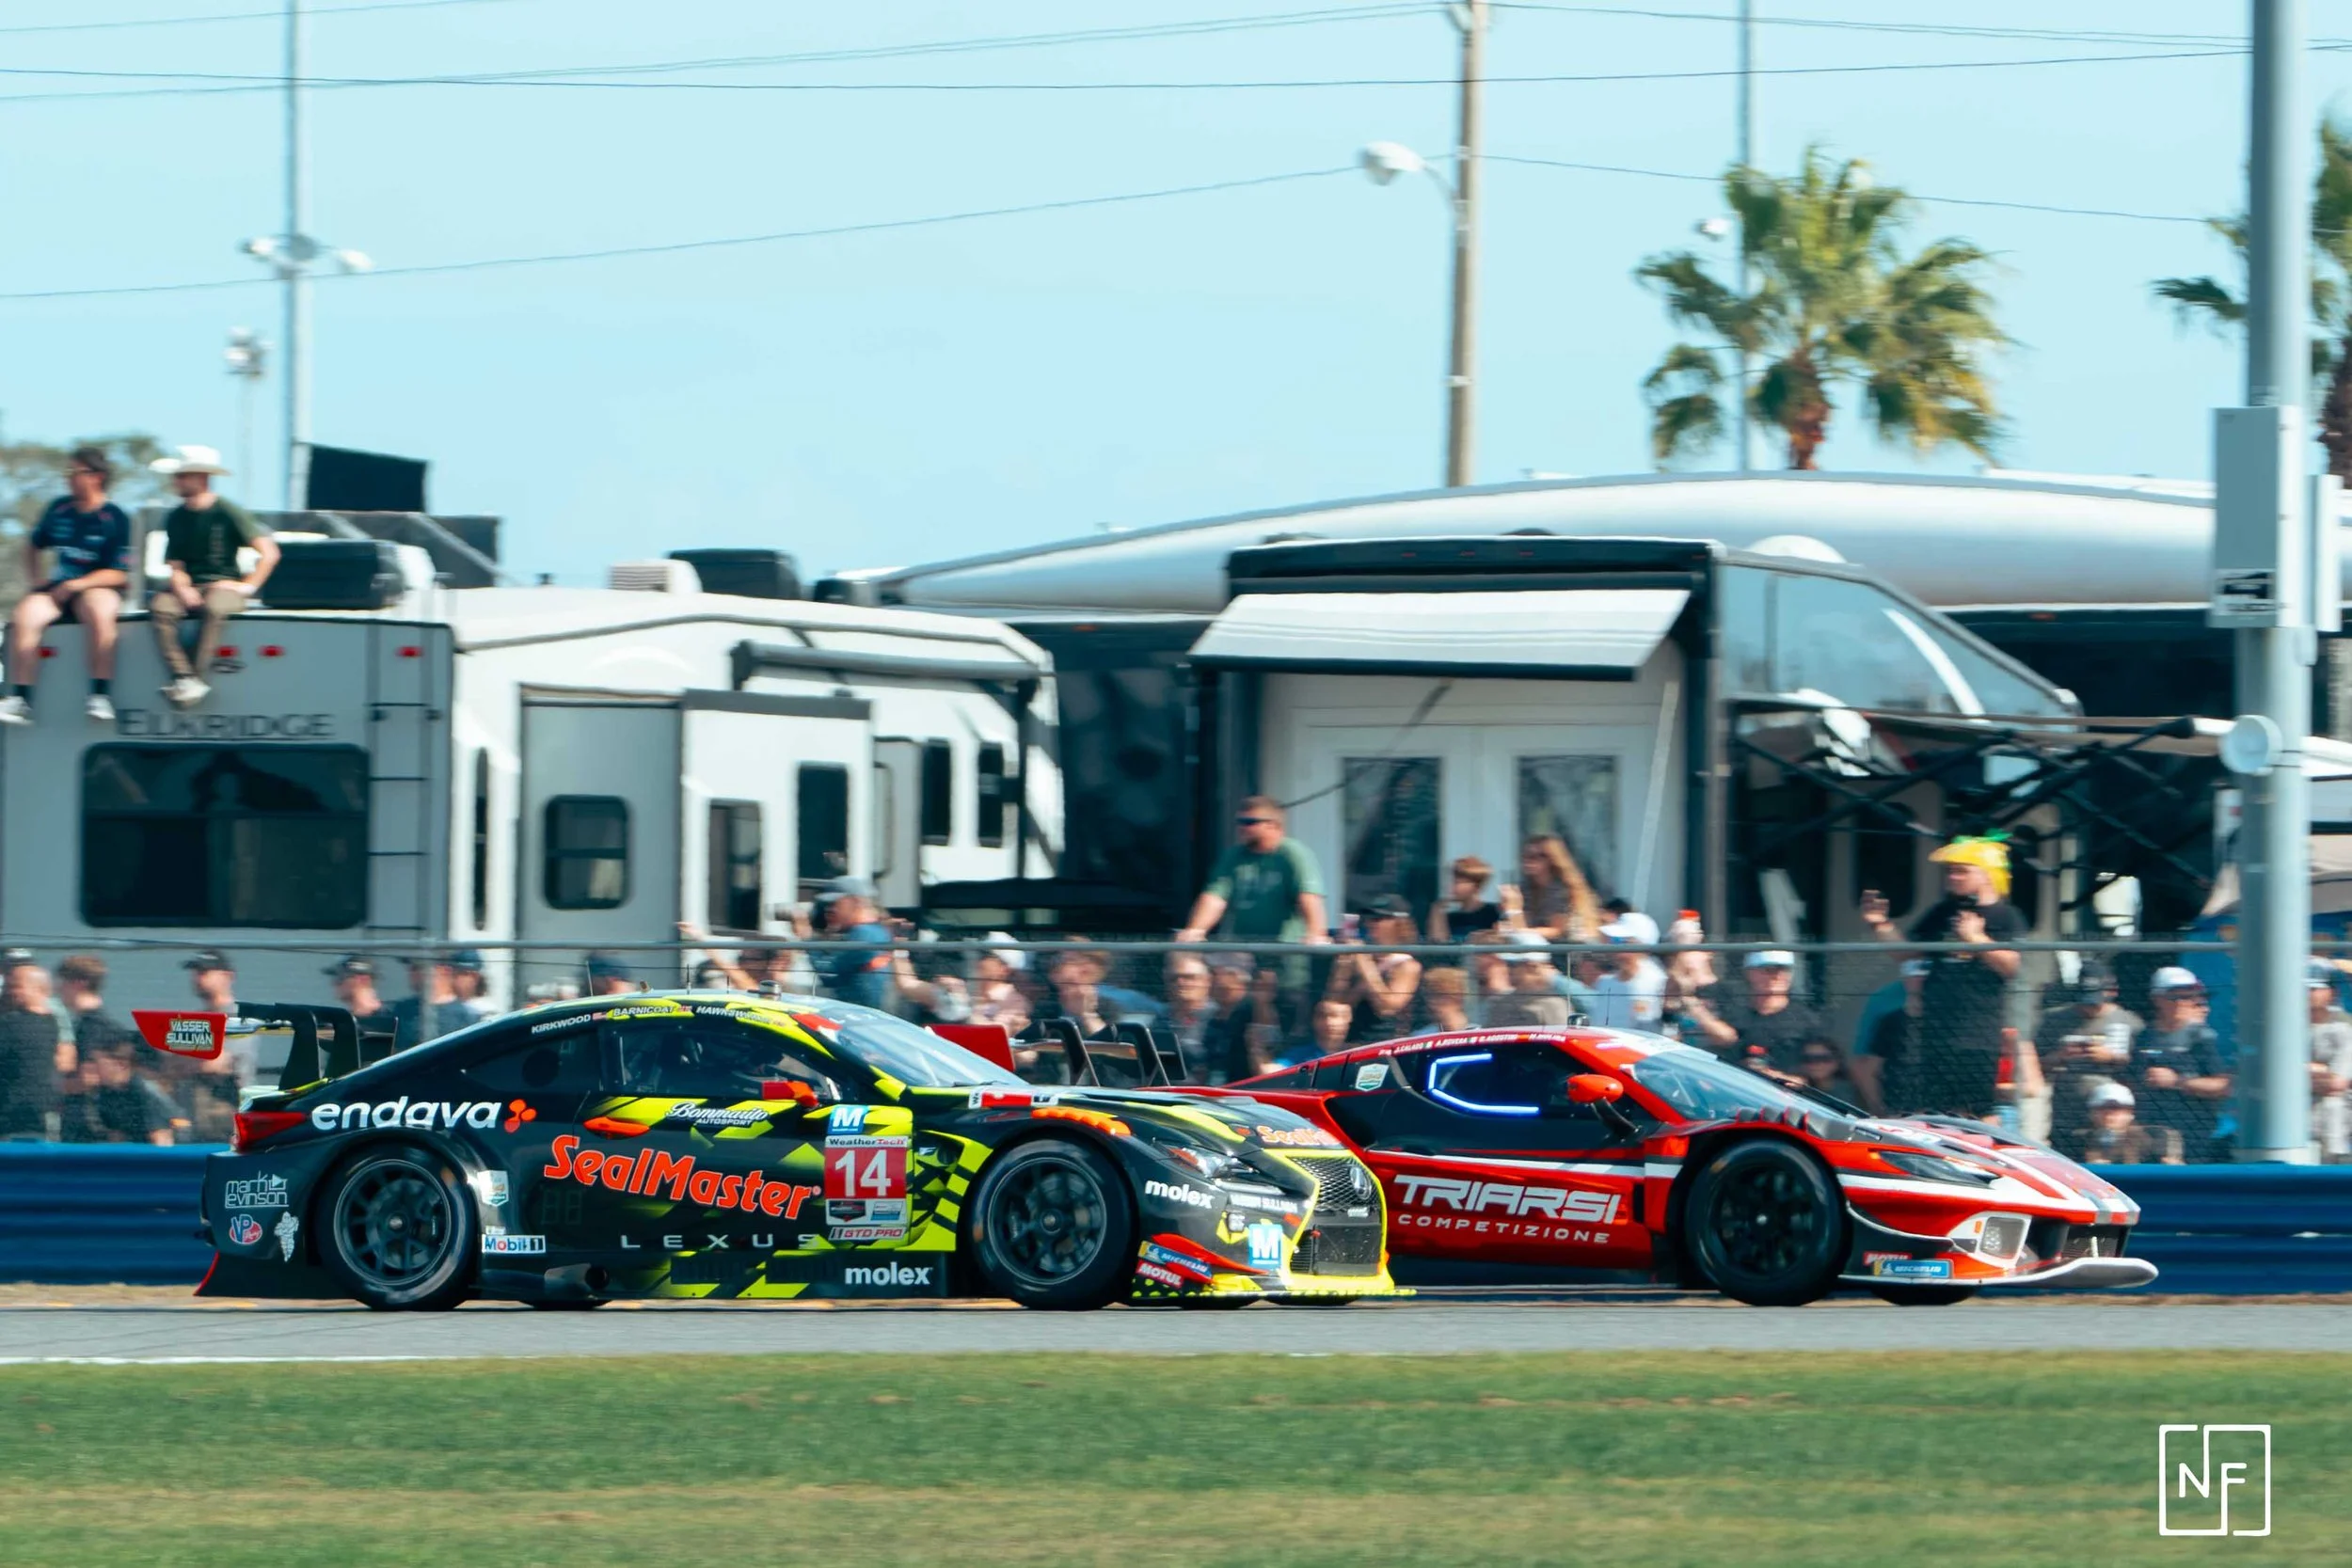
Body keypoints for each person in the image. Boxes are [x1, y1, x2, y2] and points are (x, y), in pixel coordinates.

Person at [1862, 834, 2025, 1117]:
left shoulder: (2005, 915)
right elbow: (1906, 953)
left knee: (1979, 1112)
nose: (1953, 876)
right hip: (1934, 1033)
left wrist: (1976, 939)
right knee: (1937, 1111)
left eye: (1962, 870)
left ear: (1986, 874)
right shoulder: (1943, 912)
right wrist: (1881, 925)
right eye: (1950, 870)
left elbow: (2011, 966)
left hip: (1976, 1035)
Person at [0, 447, 132, 725]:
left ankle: (100, 695)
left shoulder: (114, 517)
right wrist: (36, 581)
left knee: (100, 610)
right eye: (68, 472)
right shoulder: (59, 509)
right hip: (59, 588)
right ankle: (21, 699)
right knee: (26, 614)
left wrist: (79, 584)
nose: (69, 478)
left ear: (96, 476)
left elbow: (120, 574)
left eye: (75, 472)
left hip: (96, 586)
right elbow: (33, 544)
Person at [147, 444, 278, 710]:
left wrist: (246, 587)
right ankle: (183, 676)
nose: (177, 482)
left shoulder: (228, 511)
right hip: (190, 586)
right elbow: (176, 566)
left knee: (216, 607)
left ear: (202, 477)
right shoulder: (175, 517)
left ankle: (194, 677)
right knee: (161, 607)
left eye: (183, 476)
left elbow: (270, 553)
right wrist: (183, 589)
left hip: (223, 585)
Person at [1177, 797, 1329, 950]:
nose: (1242, 828)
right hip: (1241, 950)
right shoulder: (1234, 856)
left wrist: (1316, 934)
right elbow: (1215, 897)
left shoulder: (1293, 854)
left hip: (1285, 949)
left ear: (1272, 825)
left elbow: (1309, 896)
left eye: (1249, 822)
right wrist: (1195, 930)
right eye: (1240, 822)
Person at [2032, 960, 2142, 1160]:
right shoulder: (2055, 1019)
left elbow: (2141, 1069)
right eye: (2084, 1001)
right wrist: (2059, 1056)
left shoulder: (2131, 1022)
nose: (2089, 1008)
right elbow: (2033, 1067)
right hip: (2066, 1112)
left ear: (2112, 991)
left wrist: (2111, 1057)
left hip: (2111, 1115)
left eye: (2095, 1002)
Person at [2129, 967, 2232, 1162]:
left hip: (2194, 1131)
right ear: (2157, 999)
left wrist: (2176, 1081)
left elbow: (2223, 1086)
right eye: (2176, 997)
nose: (2184, 1003)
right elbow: (2131, 1080)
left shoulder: (2201, 1038)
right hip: (2151, 1131)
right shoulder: (2144, 1037)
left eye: (2189, 996)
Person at [1681, 951, 1822, 1072]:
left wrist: (1771, 1075)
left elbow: (1815, 1074)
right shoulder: (1733, 1000)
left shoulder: (1805, 1020)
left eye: (1784, 970)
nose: (1776, 976)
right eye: (1768, 970)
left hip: (1784, 1094)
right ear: (1750, 973)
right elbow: (1698, 981)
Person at [1325, 895, 1422, 1041]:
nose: (1371, 923)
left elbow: (1387, 1008)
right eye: (1369, 918)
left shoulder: (1408, 965)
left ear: (1399, 923)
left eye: (1379, 919)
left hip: (1385, 1044)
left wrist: (1364, 963)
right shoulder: (1365, 958)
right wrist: (1343, 965)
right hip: (1351, 1043)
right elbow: (1336, 1003)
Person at [58, 1039, 175, 1146]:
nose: (93, 1067)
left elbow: (161, 1140)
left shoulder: (145, 1093)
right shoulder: (108, 1094)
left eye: (97, 1062)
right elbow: (115, 1136)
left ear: (119, 1064)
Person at [0, 958, 67, 1139]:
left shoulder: (10, 1024)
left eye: (16, 986)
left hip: (14, 1112)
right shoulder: (54, 1022)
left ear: (38, 988)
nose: (9, 991)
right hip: (41, 1110)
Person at [1501, 834, 1601, 943]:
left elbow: (1556, 931)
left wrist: (1514, 911)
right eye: (1525, 855)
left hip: (1570, 949)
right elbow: (1521, 925)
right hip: (1540, 949)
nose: (1528, 861)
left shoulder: (1562, 890)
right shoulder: (1527, 888)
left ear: (1552, 859)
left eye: (1535, 856)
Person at [813, 878, 894, 1009]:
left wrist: (808, 941)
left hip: (862, 1016)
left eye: (835, 903)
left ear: (856, 902)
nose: (830, 910)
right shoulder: (875, 931)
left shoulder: (863, 934)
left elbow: (828, 975)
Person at [1587, 918, 1667, 1031]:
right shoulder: (1604, 983)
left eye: (1620, 941)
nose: (1613, 948)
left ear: (1640, 945)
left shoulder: (1658, 982)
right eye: (1613, 941)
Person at [2077, 1081, 2182, 1165]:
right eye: (2101, 1108)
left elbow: (2172, 1168)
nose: (2109, 1113)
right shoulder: (2077, 1140)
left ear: (2130, 1113)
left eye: (2116, 1108)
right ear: (2091, 1113)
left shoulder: (2154, 1136)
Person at [2310, 960, 2352, 1164]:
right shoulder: (2282, 1025)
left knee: (2332, 1105)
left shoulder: (2344, 1027)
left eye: (2315, 988)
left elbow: (2336, 1084)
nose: (2308, 993)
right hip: (2302, 1108)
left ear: (2332, 993)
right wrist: (2318, 1070)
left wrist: (2295, 1073)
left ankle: (2335, 1162)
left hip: (2341, 1112)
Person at [1483, 935, 1574, 1028]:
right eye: (1506, 963)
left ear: (1533, 967)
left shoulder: (1554, 1006)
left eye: (1512, 964)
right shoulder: (1499, 1004)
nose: (1507, 969)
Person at [389, 954, 466, 1052]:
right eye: (412, 969)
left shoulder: (464, 1016)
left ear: (444, 971)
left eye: (418, 968)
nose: (412, 973)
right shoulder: (403, 1009)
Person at [1162, 954, 1216, 1082]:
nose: (1181, 983)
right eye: (1174, 978)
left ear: (1207, 981)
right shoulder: (1158, 1021)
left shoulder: (1220, 1020)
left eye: (1189, 977)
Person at [1427, 856, 1502, 942]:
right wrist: (1437, 911)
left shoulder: (1494, 912)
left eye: (1458, 882)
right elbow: (1439, 943)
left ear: (1476, 885)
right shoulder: (1451, 917)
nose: (1452, 886)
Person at [324, 956, 399, 1039]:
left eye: (340, 978)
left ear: (362, 980)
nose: (334, 983)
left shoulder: (395, 1017)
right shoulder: (340, 1024)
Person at [1795, 1034, 1863, 1105]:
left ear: (1836, 1062)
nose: (1815, 1064)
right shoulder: (1796, 1089)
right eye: (1808, 1059)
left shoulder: (1848, 1095)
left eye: (1823, 1058)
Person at [1414, 965, 1471, 1035]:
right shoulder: (1421, 1037)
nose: (1432, 1003)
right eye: (1429, 996)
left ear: (1458, 997)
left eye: (1439, 996)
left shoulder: (1479, 1034)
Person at [448, 950, 496, 1022]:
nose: (458, 979)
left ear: (477, 977)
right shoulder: (445, 1006)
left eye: (464, 974)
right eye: (455, 974)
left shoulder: (486, 1009)